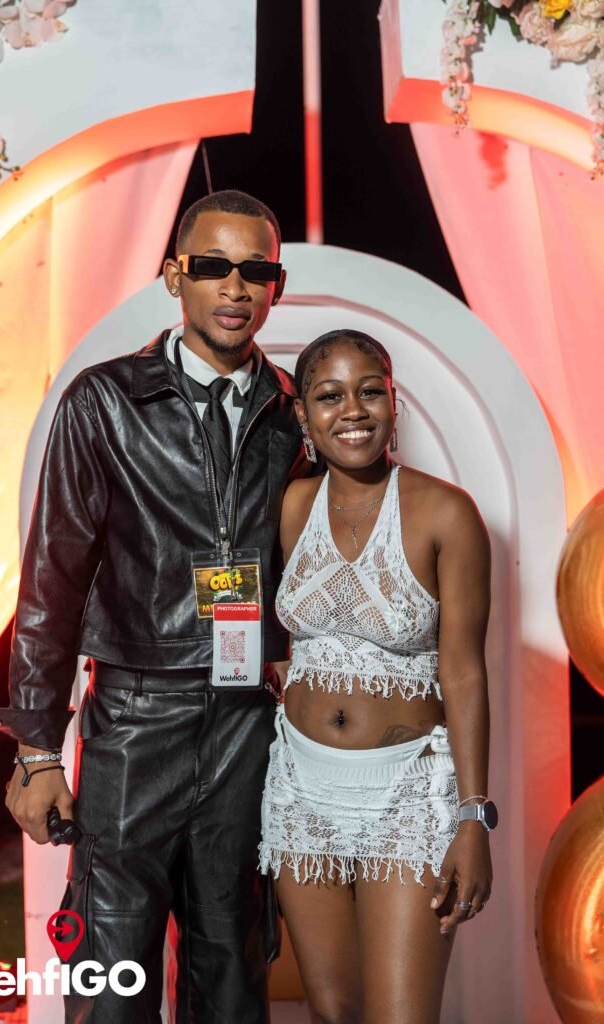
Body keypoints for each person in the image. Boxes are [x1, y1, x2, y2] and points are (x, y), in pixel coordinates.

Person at [0, 189, 311, 1023]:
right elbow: (52, 580)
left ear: (275, 285)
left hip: (247, 721)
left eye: (255, 270)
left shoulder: (291, 412)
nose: (234, 287)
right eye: (212, 266)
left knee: (232, 967)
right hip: (135, 718)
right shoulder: (105, 402)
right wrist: (36, 750)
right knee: (111, 967)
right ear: (174, 276)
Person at [259, 329, 495, 1024]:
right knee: (334, 1012)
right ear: (303, 415)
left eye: (369, 391)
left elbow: (464, 673)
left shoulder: (444, 512)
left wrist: (473, 817)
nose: (352, 411)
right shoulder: (291, 506)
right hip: (299, 790)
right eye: (329, 396)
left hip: (407, 795)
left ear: (394, 402)